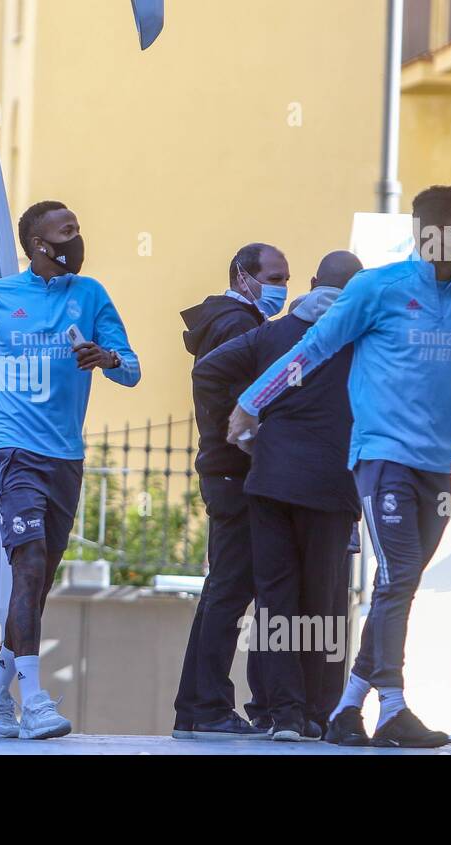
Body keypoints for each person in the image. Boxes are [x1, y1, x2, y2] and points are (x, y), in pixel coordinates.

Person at [229, 186, 451, 748]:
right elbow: (313, 348)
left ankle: (350, 707)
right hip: (381, 457)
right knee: (397, 577)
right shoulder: (380, 288)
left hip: (433, 467)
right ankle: (392, 705)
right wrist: (252, 402)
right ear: (430, 233)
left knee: (403, 583)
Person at [0, 201, 140, 740]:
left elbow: (133, 369)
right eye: (66, 231)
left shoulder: (89, 295)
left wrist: (106, 359)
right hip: (11, 450)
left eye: (78, 227)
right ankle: (35, 700)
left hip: (65, 456)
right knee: (29, 562)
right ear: (37, 245)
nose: (77, 238)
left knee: (39, 583)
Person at [195, 251, 364, 741]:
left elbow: (207, 371)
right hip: (331, 487)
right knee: (325, 604)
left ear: (312, 284)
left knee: (276, 600)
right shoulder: (362, 337)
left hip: (268, 482)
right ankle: (321, 711)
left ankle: (283, 714)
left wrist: (244, 428)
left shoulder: (273, 333)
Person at [172, 243, 289, 739]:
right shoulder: (239, 327)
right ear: (244, 277)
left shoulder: (224, 321)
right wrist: (250, 445)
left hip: (223, 472)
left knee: (225, 588)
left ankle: (199, 706)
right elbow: (235, 401)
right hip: (234, 473)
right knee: (230, 590)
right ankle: (207, 707)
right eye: (276, 276)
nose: (283, 287)